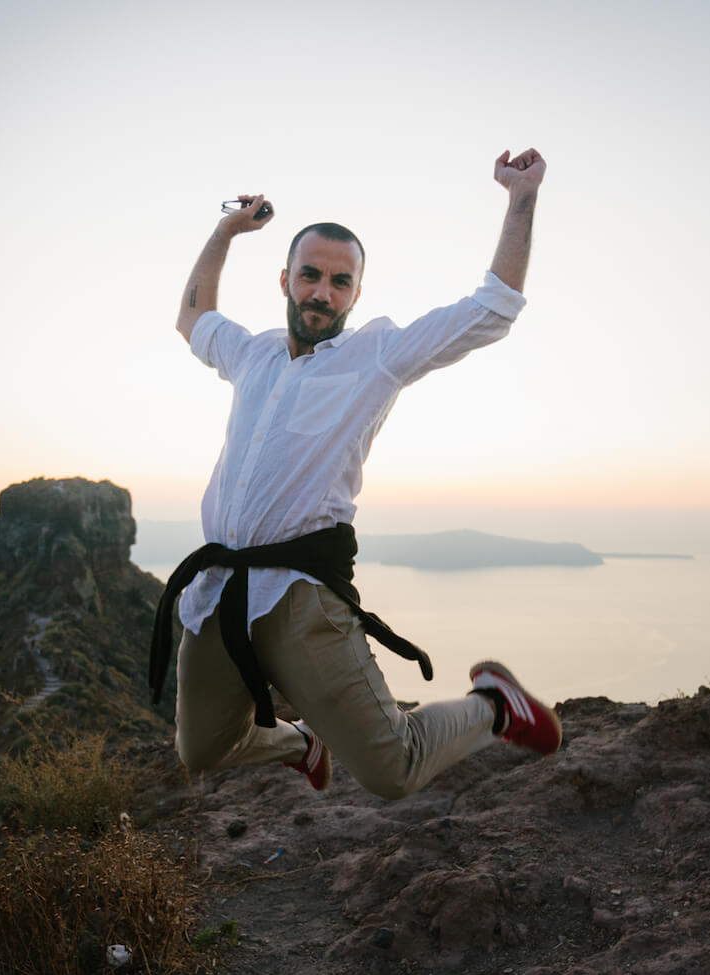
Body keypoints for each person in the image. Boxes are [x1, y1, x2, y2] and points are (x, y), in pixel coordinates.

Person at [148, 149, 559, 800]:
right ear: (285, 279)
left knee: (391, 769)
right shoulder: (251, 355)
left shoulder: (376, 356)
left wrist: (521, 199)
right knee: (200, 748)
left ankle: (495, 706)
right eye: (310, 275)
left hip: (299, 595)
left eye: (340, 283)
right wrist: (226, 231)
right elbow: (192, 316)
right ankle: (301, 740)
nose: (322, 292)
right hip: (221, 589)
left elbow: (494, 309)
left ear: (356, 294)